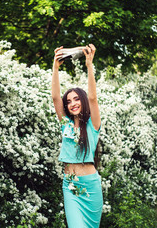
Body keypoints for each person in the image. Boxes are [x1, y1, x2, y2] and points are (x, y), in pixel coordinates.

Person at [51, 44, 103, 228]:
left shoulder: (92, 125)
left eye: (76, 99)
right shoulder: (65, 124)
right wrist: (55, 68)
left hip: (90, 187)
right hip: (70, 186)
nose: (72, 103)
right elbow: (56, 98)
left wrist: (89, 66)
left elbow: (93, 98)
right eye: (69, 101)